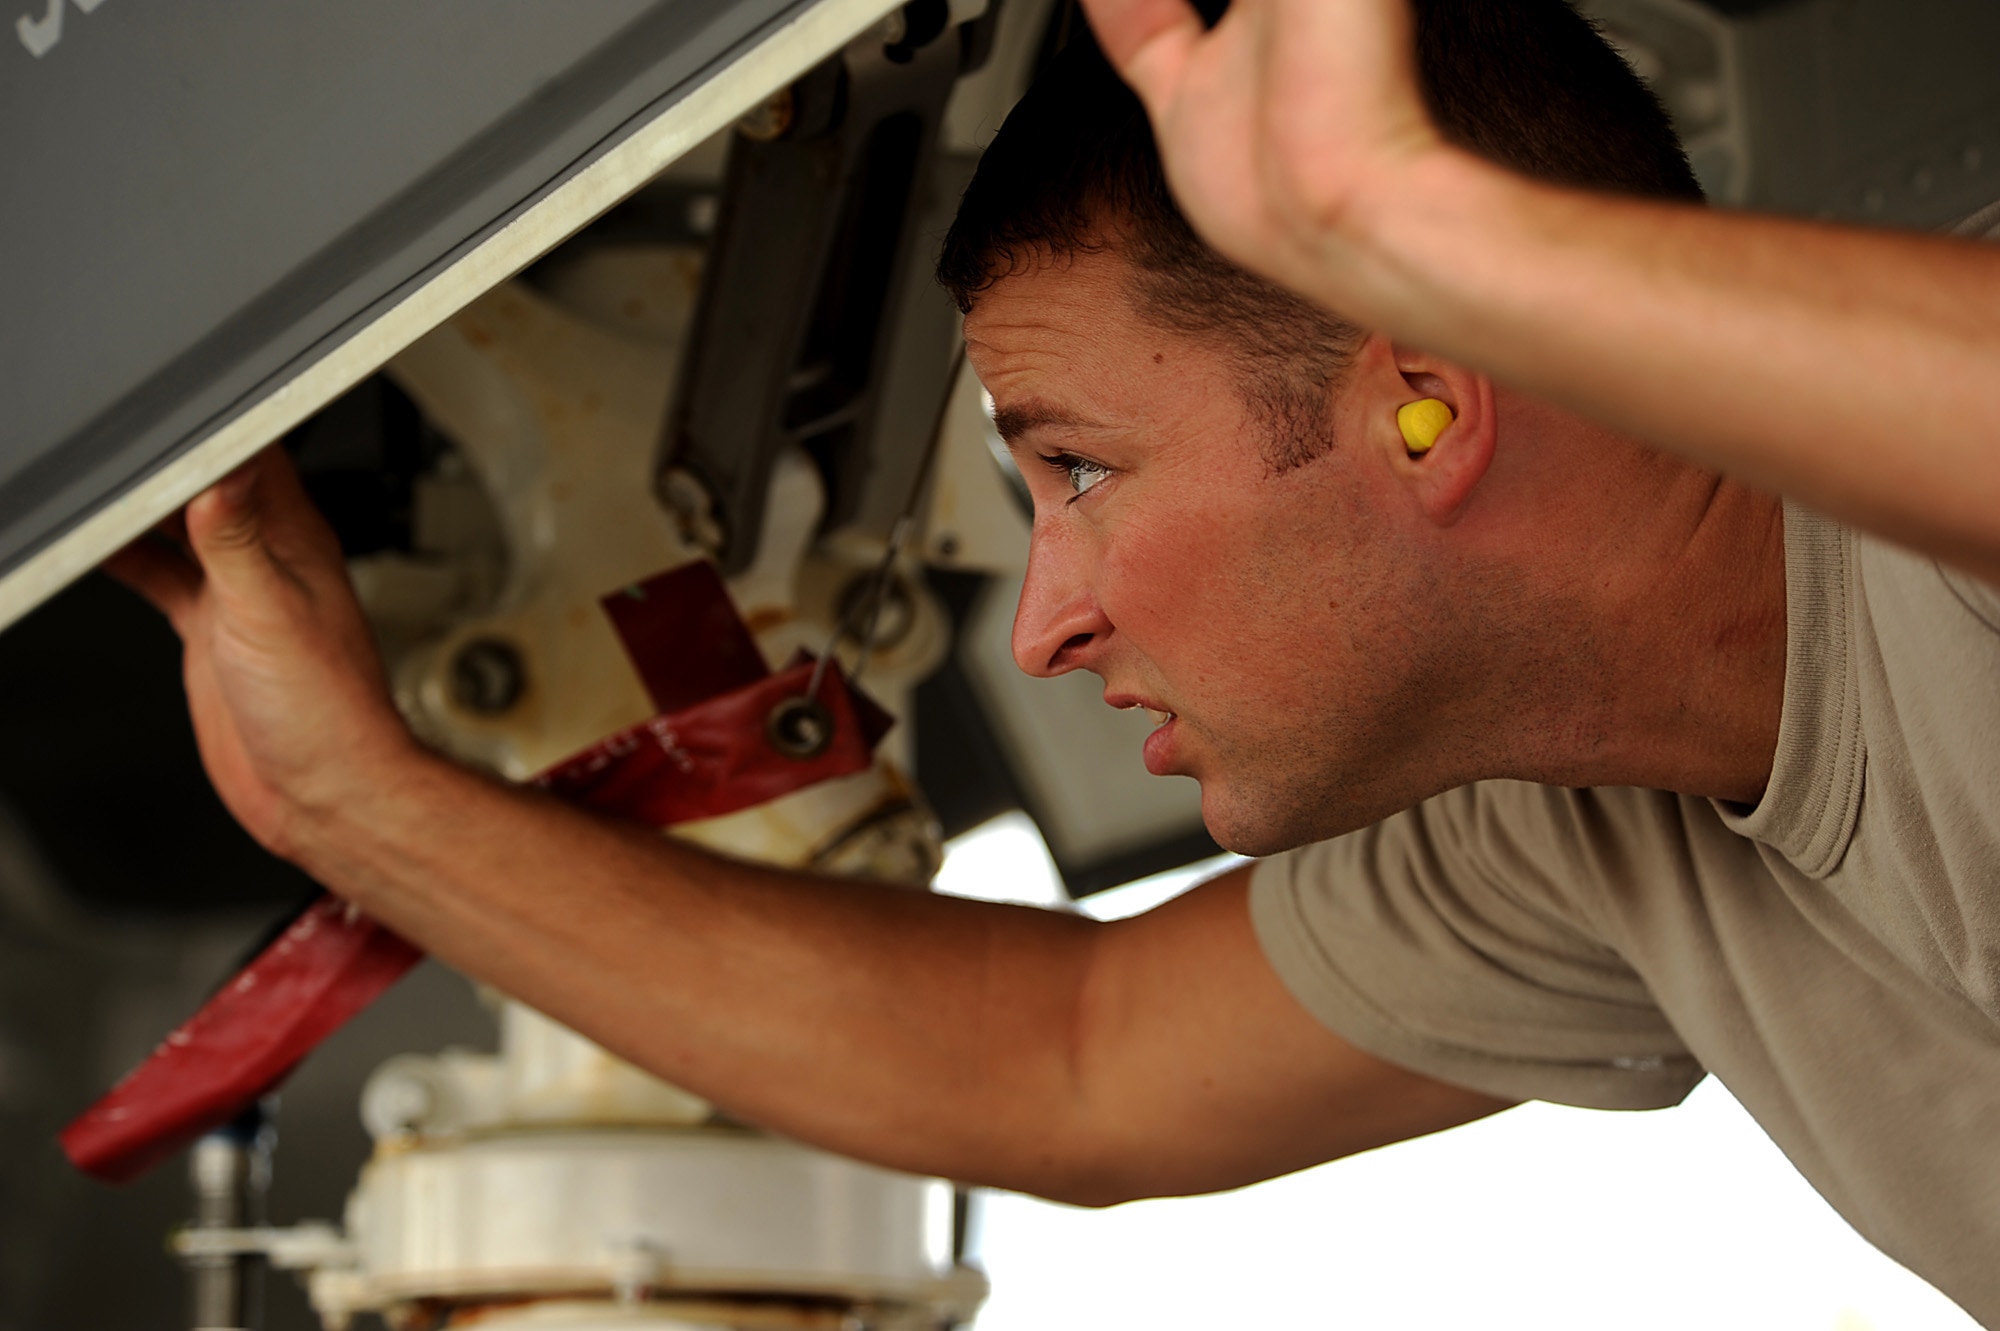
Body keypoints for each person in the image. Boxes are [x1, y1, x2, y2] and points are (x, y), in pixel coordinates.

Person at [107, 0, 2000, 1321]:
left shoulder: (1936, 555)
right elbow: (1066, 1063)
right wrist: (342, 801)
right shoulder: (1575, 837)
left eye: (1081, 467)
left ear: (1425, 402)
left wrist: (1426, 226)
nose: (1045, 617)